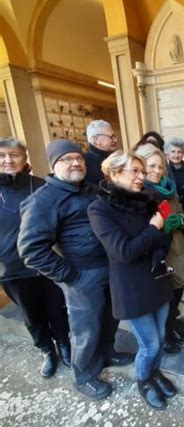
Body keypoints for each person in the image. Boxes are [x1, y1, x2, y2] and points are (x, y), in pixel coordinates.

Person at [18, 139, 133, 401]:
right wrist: (71, 276)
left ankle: (107, 353)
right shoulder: (43, 201)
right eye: (66, 159)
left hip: (111, 269)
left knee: (111, 317)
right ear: (53, 165)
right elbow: (31, 250)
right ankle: (85, 377)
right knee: (85, 329)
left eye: (78, 158)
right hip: (82, 276)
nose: (75, 163)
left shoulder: (92, 189)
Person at [88, 151, 176, 410]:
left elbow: (165, 236)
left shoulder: (148, 199)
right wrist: (153, 229)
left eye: (142, 170)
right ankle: (144, 380)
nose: (142, 176)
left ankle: (156, 372)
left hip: (157, 279)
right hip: (131, 288)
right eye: (134, 171)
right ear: (114, 174)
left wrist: (157, 240)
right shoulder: (100, 208)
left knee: (159, 338)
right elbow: (123, 252)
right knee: (149, 344)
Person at [0, 137, 70, 378]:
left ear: (24, 158)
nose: (8, 160)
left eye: (14, 155)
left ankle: (63, 343)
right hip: (12, 269)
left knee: (57, 308)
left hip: (49, 263)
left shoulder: (41, 185)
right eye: (2, 156)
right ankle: (47, 350)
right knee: (32, 314)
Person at [136, 145, 184, 355]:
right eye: (151, 166)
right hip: (157, 253)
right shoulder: (137, 193)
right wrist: (158, 226)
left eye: (160, 166)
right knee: (163, 299)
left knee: (177, 293)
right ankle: (165, 335)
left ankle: (169, 327)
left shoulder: (168, 189)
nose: (156, 170)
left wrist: (179, 220)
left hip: (177, 249)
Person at [163, 136, 184, 250]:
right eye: (173, 151)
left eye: (179, 152)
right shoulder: (163, 174)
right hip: (172, 217)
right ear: (167, 153)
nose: (176, 155)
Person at [84, 120, 118, 185]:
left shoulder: (111, 159)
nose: (115, 140)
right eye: (111, 136)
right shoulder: (86, 162)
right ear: (96, 140)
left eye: (114, 136)